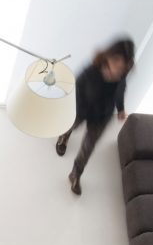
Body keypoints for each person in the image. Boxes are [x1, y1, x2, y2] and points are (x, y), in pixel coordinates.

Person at [56, 37, 135, 195]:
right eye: (116, 61)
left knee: (88, 147)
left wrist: (120, 109)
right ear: (108, 56)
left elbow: (120, 91)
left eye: (122, 66)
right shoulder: (91, 71)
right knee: (71, 125)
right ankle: (64, 136)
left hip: (101, 116)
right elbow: (76, 89)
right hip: (82, 109)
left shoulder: (122, 76)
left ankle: (75, 174)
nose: (118, 69)